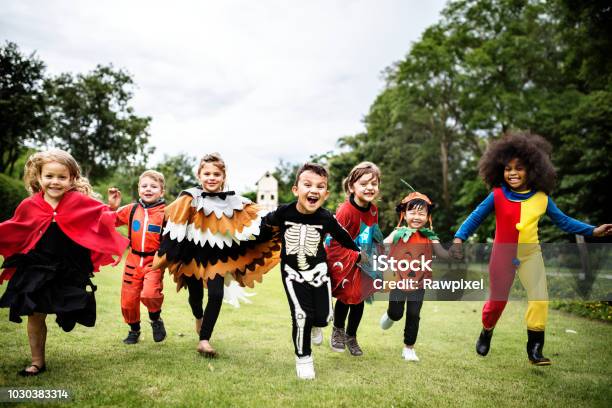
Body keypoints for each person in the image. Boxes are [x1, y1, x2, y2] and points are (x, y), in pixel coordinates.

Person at [451, 132, 612, 365]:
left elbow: (564, 221)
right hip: (502, 256)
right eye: (508, 168)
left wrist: (593, 230)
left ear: (533, 170)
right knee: (497, 303)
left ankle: (535, 348)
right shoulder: (496, 195)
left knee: (539, 298)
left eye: (519, 168)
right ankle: (487, 330)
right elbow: (475, 217)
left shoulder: (542, 198)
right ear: (499, 170)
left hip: (530, 255)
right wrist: (459, 238)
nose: (513, 173)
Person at [0, 149, 128, 376]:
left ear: (72, 179)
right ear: (38, 177)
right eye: (49, 176)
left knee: (69, 314)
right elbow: (15, 227)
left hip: (69, 267)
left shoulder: (79, 202)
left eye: (62, 177)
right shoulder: (29, 205)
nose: (55, 182)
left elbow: (102, 220)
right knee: (35, 312)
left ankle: (68, 315)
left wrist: (113, 209)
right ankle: (37, 361)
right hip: (36, 266)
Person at [153, 153, 280, 358]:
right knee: (196, 297)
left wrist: (283, 217)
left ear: (223, 176)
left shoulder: (234, 201)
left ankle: (204, 340)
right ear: (199, 175)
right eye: (207, 173)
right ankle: (198, 316)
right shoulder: (188, 198)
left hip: (218, 258)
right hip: (191, 256)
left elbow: (258, 218)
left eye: (216, 174)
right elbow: (169, 222)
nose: (211, 177)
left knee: (216, 295)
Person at [261, 163, 364, 380]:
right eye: (307, 185)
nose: (313, 190)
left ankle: (318, 325)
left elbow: (343, 236)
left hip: (318, 271)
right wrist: (248, 238)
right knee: (301, 316)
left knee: (323, 317)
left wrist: (359, 252)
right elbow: (263, 226)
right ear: (296, 190)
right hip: (291, 271)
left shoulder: (325, 217)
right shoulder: (283, 212)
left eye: (320, 186)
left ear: (325, 194)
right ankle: (304, 358)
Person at [379, 192, 448, 361]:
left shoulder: (430, 236)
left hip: (419, 282)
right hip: (398, 280)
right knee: (397, 313)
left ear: (427, 216)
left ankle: (409, 348)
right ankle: (390, 315)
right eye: (413, 212)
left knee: (413, 313)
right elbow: (382, 245)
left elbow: (443, 254)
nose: (417, 217)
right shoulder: (398, 233)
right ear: (404, 214)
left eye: (421, 213)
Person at [326, 161, 383, 356]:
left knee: (360, 299)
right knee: (346, 297)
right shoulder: (345, 211)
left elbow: (371, 232)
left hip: (364, 260)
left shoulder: (374, 209)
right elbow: (334, 241)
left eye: (373, 184)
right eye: (364, 183)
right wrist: (355, 255)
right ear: (352, 186)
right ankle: (338, 330)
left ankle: (352, 336)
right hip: (346, 260)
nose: (370, 188)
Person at [108, 170, 167, 344]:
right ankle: (134, 330)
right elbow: (109, 220)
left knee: (150, 294)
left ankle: (156, 320)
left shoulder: (166, 213)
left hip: (154, 261)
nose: (148, 189)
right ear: (138, 189)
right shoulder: (131, 209)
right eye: (144, 186)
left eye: (154, 186)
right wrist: (112, 207)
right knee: (128, 300)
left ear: (161, 191)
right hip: (133, 260)